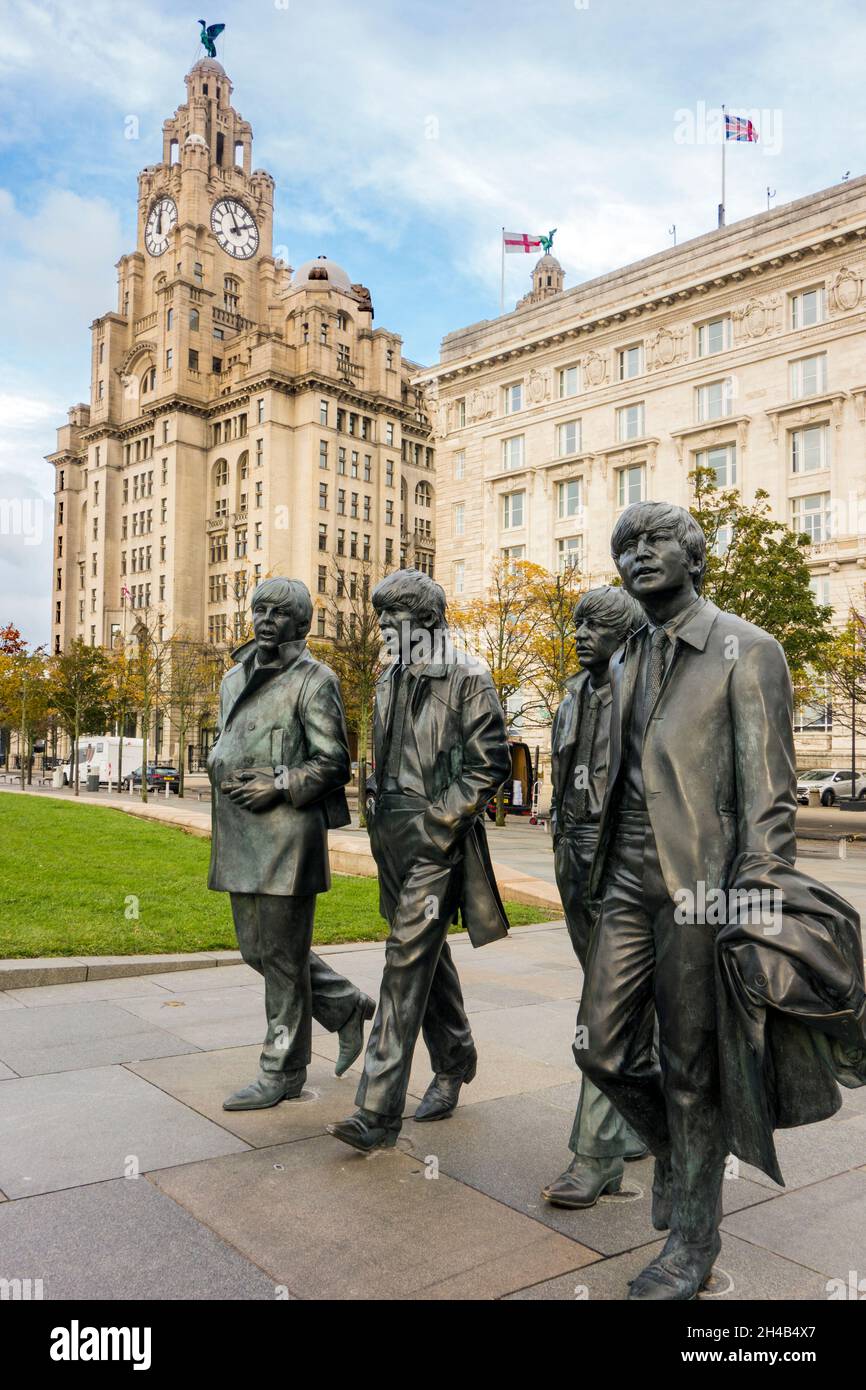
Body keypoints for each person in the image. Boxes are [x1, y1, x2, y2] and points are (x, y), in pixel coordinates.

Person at [578, 502, 799, 1299]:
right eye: (624, 545)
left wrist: (761, 893)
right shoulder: (628, 654)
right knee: (597, 1047)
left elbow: (771, 794)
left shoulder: (748, 649)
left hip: (701, 886)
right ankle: (674, 1150)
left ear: (694, 555)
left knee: (691, 1065)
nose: (636, 555)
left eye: (653, 541)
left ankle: (694, 1239)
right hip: (627, 878)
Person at [327, 569, 511, 1152]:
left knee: (403, 962)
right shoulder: (387, 678)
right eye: (379, 617)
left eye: (392, 619)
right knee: (426, 954)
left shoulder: (468, 676)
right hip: (392, 839)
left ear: (427, 621)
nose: (381, 627)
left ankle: (377, 1110)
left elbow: (490, 763)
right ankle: (456, 1057)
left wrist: (440, 824)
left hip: (438, 839)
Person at [207, 577, 374, 1111]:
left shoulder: (315, 679)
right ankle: (345, 1005)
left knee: (281, 960)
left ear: (301, 624)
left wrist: (278, 783)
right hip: (238, 831)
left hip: (287, 836)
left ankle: (282, 1070)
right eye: (260, 609)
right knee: (258, 951)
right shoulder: (233, 676)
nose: (266, 618)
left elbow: (333, 762)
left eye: (280, 612)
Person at [541, 585, 648, 1211]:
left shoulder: (649, 697)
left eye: (594, 626)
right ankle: (641, 1114)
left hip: (628, 863)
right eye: (577, 624)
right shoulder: (572, 696)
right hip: (574, 858)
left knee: (602, 1009)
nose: (580, 635)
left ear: (624, 635)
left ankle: (596, 1153)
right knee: (618, 1001)